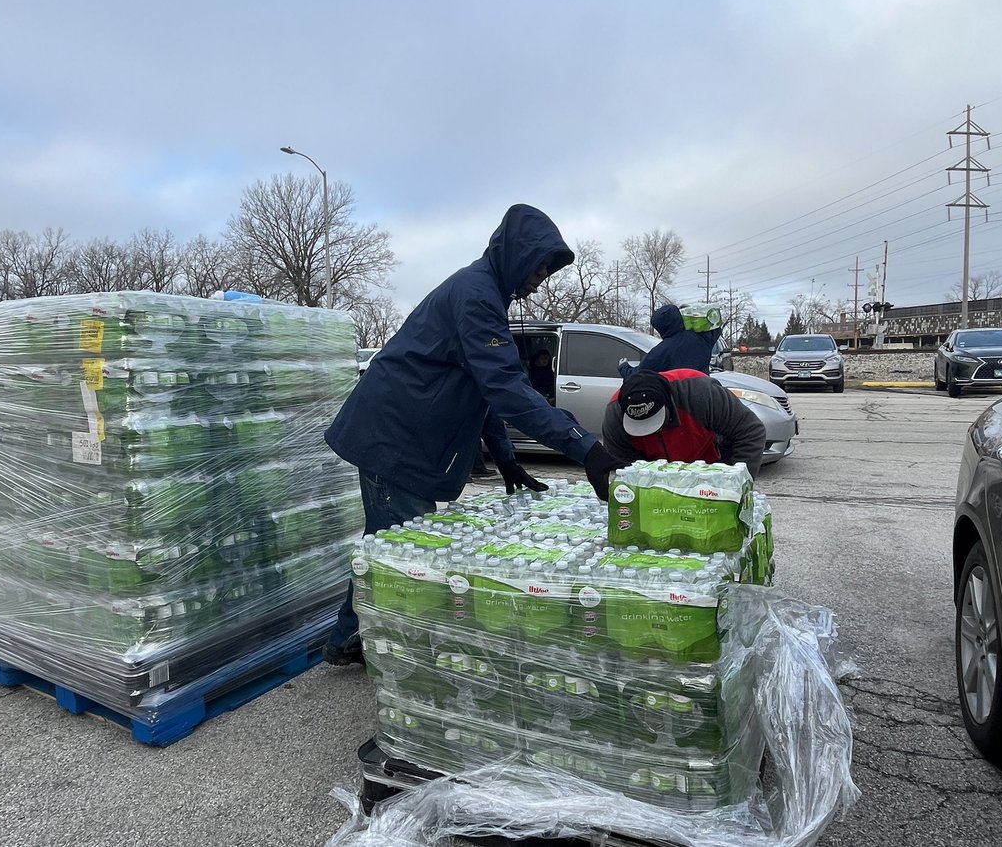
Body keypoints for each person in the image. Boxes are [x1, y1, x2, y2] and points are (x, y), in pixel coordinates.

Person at [323, 204, 619, 664]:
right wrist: (586, 448)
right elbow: (506, 389)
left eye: (548, 270)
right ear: (516, 254)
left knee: (389, 543)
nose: (542, 278)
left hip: (406, 431)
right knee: (400, 557)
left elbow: (480, 389)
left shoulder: (484, 294)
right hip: (395, 437)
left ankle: (347, 638)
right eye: (540, 265)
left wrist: (506, 458)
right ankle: (395, 659)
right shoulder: (476, 295)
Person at [602, 368, 766, 477]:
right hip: (657, 480)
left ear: (668, 402)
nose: (650, 432)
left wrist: (737, 483)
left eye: (654, 422)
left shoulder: (701, 392)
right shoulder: (615, 415)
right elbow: (623, 465)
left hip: (712, 470)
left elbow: (751, 432)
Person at [619, 304, 721, 378]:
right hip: (704, 393)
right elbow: (715, 329)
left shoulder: (660, 352)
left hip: (678, 400)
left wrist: (624, 367)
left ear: (659, 327)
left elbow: (639, 374)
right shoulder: (702, 339)